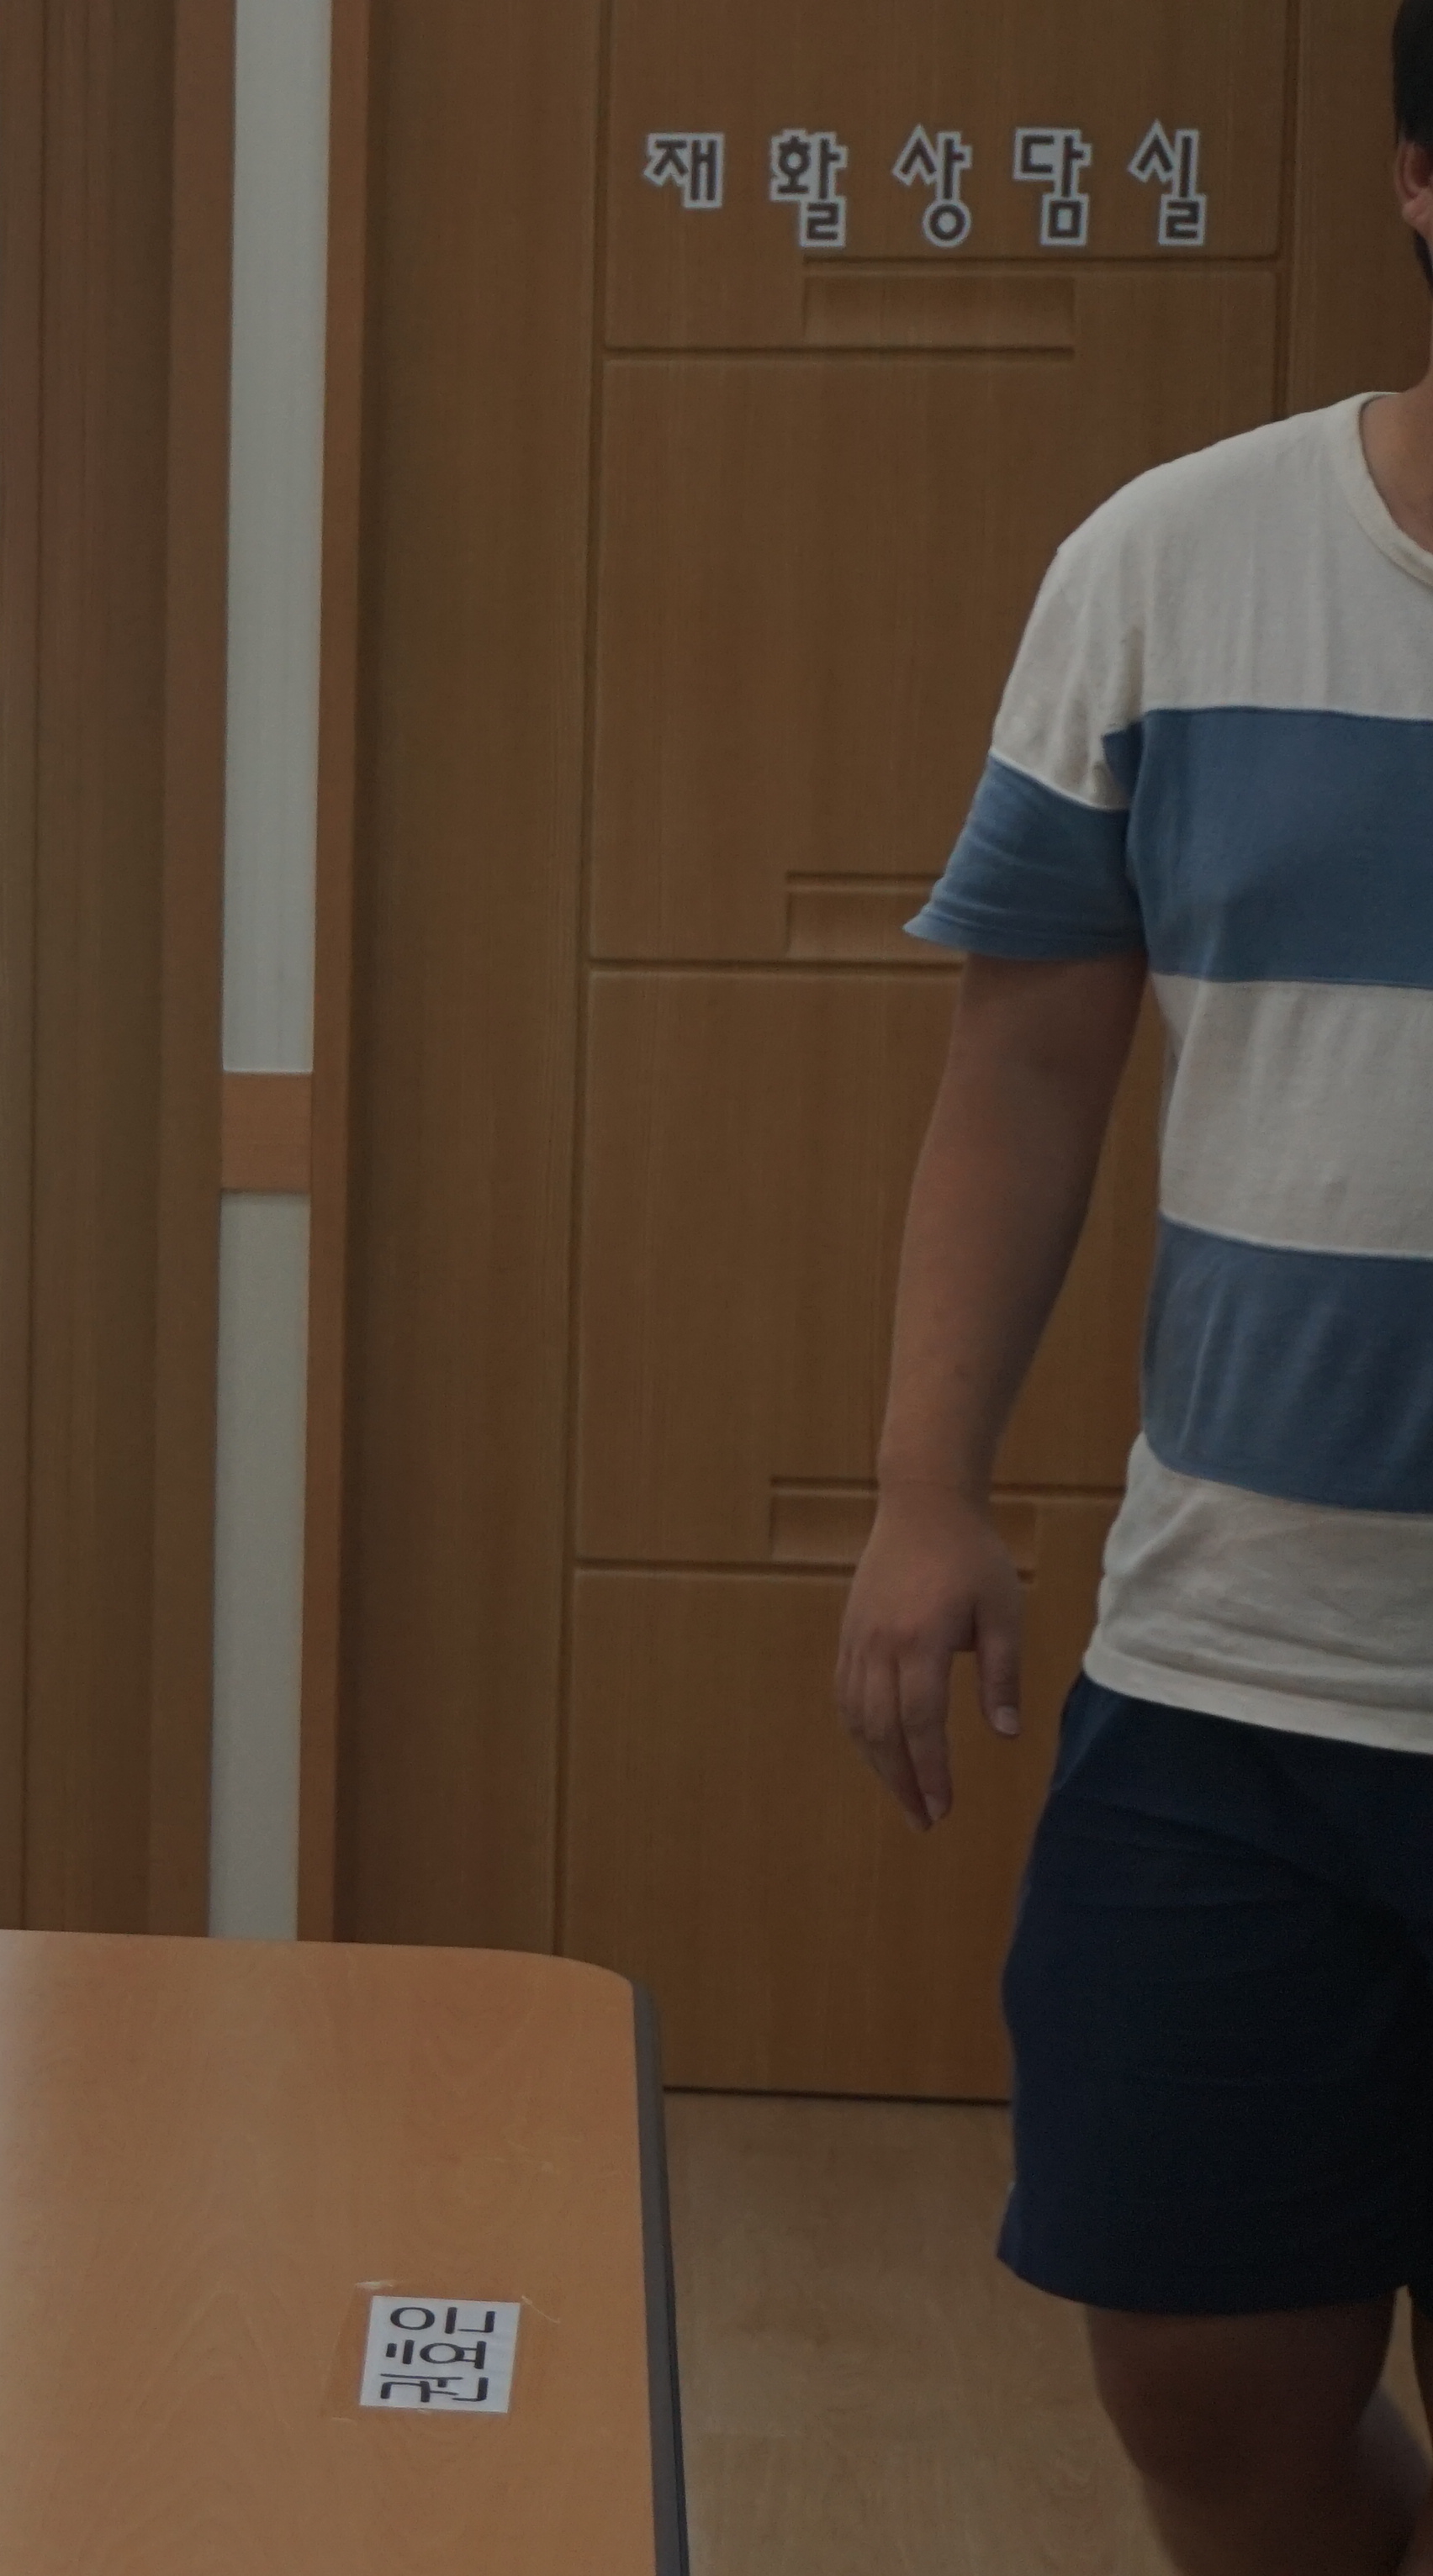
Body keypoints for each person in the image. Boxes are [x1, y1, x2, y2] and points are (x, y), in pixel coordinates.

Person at [836, 18, 1433, 2571]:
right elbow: (1027, 1066)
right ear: (1417, 182)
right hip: (1235, 1674)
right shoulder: (1175, 562)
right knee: (1205, 2393)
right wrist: (924, 1488)